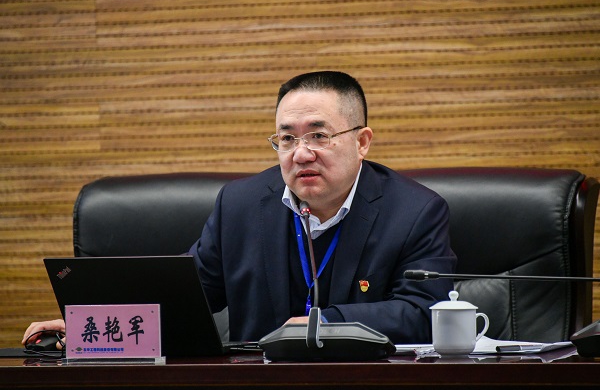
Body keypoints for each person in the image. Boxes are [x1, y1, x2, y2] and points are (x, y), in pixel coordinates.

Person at [23, 71, 456, 347]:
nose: (301, 153)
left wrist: (322, 323)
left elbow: (425, 313)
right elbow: (186, 297)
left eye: (319, 136)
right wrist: (95, 323)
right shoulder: (241, 205)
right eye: (287, 138)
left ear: (361, 142)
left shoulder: (415, 211)